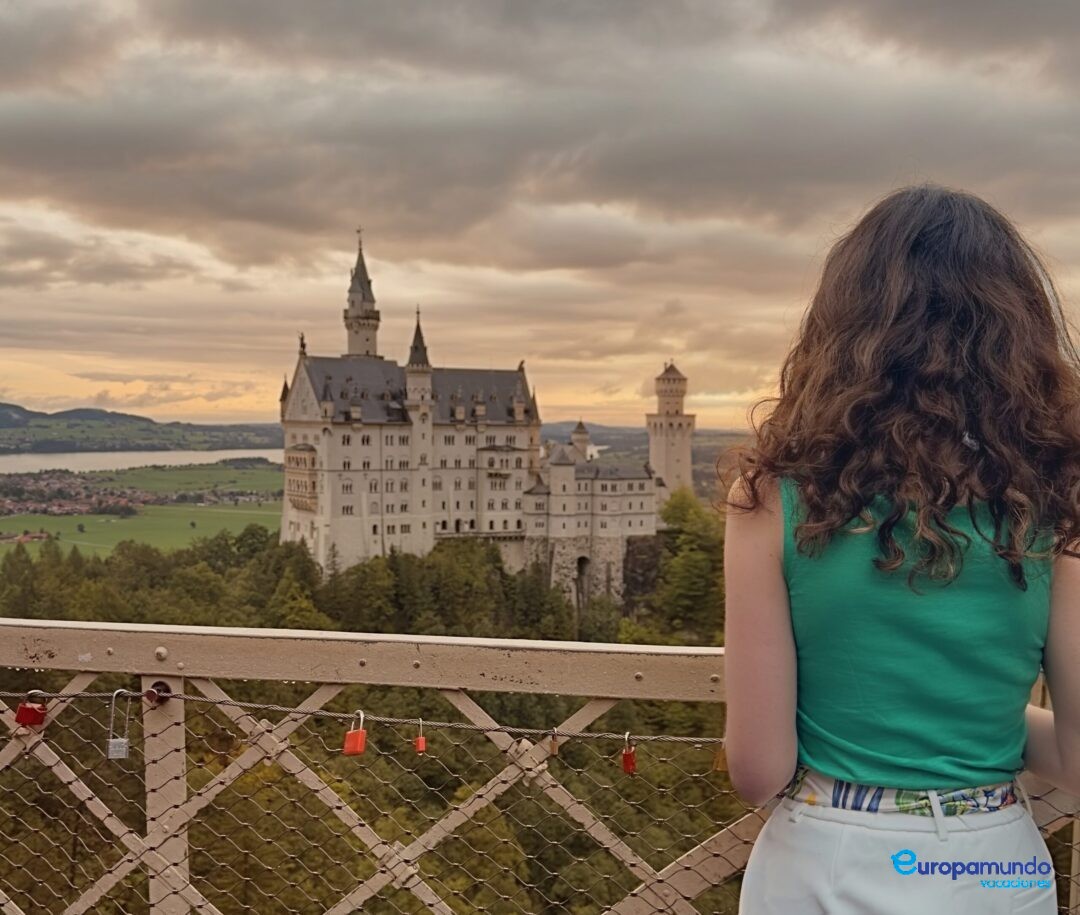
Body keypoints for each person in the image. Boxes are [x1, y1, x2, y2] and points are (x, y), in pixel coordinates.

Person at [721, 183, 1080, 915]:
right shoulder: (1058, 497)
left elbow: (759, 767)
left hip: (823, 858)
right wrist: (981, 721)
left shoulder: (772, 496)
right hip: (992, 870)